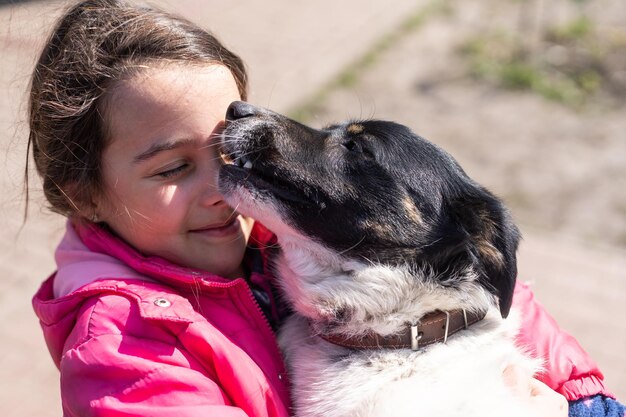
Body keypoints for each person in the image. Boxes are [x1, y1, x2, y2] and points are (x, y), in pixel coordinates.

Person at [27, 1, 622, 416]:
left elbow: (504, 300)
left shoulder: (277, 238)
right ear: (86, 195)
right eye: (172, 168)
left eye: (220, 151)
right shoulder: (123, 346)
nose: (223, 185)